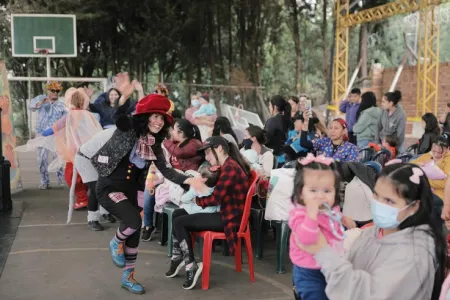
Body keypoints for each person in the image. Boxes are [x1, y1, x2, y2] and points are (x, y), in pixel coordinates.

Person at [93, 85, 205, 294]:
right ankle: (115, 242)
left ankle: (128, 277)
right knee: (134, 222)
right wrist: (124, 97)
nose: (158, 121)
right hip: (109, 187)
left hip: (130, 191)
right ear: (145, 117)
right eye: (154, 116)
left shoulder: (153, 144)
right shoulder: (128, 132)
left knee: (134, 234)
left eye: (162, 119)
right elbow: (119, 117)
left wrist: (189, 181)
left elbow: (168, 171)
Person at [294, 163, 446, 300]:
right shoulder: (375, 232)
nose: (378, 204)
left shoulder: (415, 253)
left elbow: (368, 294)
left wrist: (324, 252)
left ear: (414, 207)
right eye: (376, 195)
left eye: (389, 201)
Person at [165, 136, 251, 290]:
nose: (206, 157)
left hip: (228, 219)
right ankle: (179, 256)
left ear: (219, 149)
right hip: (224, 214)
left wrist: (195, 201)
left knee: (179, 221)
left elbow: (215, 198)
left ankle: (190, 264)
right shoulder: (227, 166)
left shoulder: (230, 168)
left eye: (209, 153)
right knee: (177, 214)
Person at [290, 154, 344, 300]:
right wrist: (311, 216)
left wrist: (345, 219)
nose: (321, 196)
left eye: (327, 191)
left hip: (331, 267)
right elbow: (307, 239)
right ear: (300, 193)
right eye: (313, 191)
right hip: (309, 271)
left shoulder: (331, 209)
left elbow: (335, 223)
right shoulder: (300, 214)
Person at [43, 88, 103, 210]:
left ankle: (82, 199)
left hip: (74, 153)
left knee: (71, 177)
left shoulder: (70, 116)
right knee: (87, 175)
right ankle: (88, 197)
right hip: (88, 151)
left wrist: (45, 132)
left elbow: (53, 129)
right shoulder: (90, 115)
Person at [29, 81, 66, 189]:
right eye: (53, 90)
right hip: (41, 134)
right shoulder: (40, 98)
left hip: (56, 135)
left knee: (58, 157)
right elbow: (31, 107)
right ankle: (44, 181)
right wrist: (40, 103)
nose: (55, 93)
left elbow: (65, 120)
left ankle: (61, 179)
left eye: (57, 91)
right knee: (41, 159)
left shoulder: (62, 105)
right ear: (48, 90)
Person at [265, 95, 291, 166]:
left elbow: (265, 140)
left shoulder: (272, 121)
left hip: (273, 159)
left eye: (270, 105)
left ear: (275, 107)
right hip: (283, 157)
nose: (269, 108)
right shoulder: (286, 120)